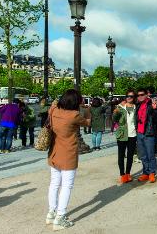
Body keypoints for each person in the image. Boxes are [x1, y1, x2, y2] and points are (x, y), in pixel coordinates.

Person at [46, 89, 90, 231]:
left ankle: (51, 213)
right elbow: (88, 122)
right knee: (67, 186)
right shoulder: (74, 115)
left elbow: (53, 105)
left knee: (54, 184)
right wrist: (86, 109)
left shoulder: (53, 110)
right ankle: (60, 217)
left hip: (54, 151)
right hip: (68, 153)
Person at [113, 90, 138, 184]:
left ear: (134, 97)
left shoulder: (136, 107)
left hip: (133, 134)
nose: (129, 98)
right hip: (122, 134)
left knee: (130, 156)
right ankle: (122, 174)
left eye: (131, 96)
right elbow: (114, 119)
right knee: (121, 155)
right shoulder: (120, 107)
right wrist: (115, 112)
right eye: (127, 96)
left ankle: (128, 173)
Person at [135, 88, 157, 183]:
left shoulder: (151, 104)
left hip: (149, 133)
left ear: (146, 95)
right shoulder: (138, 105)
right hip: (139, 133)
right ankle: (145, 172)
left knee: (150, 154)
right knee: (143, 155)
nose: (140, 96)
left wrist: (155, 109)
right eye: (138, 95)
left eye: (142, 94)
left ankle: (152, 173)